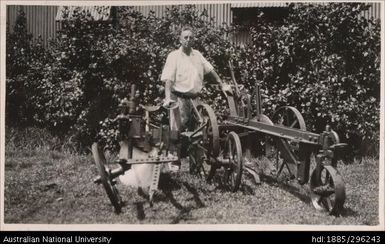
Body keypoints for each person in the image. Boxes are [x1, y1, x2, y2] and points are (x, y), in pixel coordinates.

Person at [161, 26, 231, 171]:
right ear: (180, 39)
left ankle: (196, 164)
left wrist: (222, 84)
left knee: (198, 132)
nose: (188, 40)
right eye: (185, 37)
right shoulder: (173, 56)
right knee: (176, 131)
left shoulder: (197, 55)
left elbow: (211, 70)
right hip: (178, 98)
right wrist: (168, 98)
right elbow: (168, 79)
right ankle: (174, 162)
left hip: (195, 98)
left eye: (190, 37)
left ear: (193, 39)